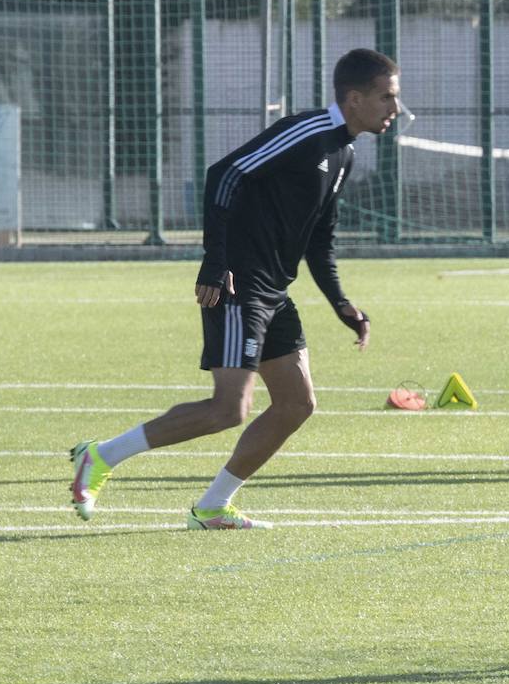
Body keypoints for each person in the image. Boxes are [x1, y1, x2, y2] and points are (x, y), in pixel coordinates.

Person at [68, 48, 401, 529]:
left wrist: (341, 303)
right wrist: (214, 261)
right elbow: (224, 173)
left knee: (296, 404)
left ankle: (213, 506)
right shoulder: (305, 132)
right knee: (229, 408)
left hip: (272, 291)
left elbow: (320, 239)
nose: (394, 108)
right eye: (387, 97)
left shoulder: (344, 153)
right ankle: (100, 456)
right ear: (354, 98)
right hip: (237, 283)